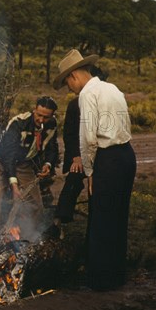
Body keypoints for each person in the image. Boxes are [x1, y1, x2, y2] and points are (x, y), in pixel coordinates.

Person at [53, 50, 136, 291]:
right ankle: (116, 274)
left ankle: (100, 280)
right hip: (126, 156)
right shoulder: (113, 89)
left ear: (74, 75)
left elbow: (88, 138)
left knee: (100, 219)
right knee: (118, 216)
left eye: (67, 82)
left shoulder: (87, 95)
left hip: (107, 159)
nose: (69, 88)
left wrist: (89, 173)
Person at [0, 96, 60, 240]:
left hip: (24, 164)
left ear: (52, 116)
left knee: (35, 203)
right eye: (39, 115)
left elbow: (52, 148)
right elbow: (9, 155)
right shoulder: (19, 123)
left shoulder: (52, 125)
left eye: (46, 117)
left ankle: (26, 236)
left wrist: (47, 164)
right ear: (34, 110)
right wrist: (14, 184)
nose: (41, 120)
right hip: (2, 161)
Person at [53, 66, 108, 226]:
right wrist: (77, 157)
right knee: (73, 180)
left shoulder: (105, 101)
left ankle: (95, 219)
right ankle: (61, 218)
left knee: (97, 188)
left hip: (99, 153)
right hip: (79, 153)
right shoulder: (75, 104)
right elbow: (70, 135)